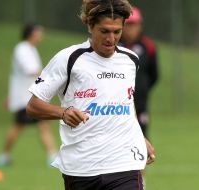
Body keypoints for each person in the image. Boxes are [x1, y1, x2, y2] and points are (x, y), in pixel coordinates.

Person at [27, 0, 155, 189]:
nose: (111, 38)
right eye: (104, 31)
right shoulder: (69, 59)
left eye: (116, 32)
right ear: (90, 26)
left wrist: (138, 137)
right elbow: (33, 106)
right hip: (81, 168)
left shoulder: (130, 60)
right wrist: (63, 112)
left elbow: (126, 102)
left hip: (124, 163)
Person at [0, 24, 57, 167]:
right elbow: (31, 70)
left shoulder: (29, 49)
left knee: (40, 124)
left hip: (28, 96)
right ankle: (3, 156)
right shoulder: (23, 49)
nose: (41, 35)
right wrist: (49, 79)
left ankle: (52, 157)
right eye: (39, 32)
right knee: (22, 126)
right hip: (26, 98)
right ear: (31, 34)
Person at [119, 7, 159, 138]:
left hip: (140, 102)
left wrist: (143, 88)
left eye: (133, 25)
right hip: (117, 102)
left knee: (141, 136)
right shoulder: (114, 45)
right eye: (127, 25)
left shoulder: (148, 46)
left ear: (139, 25)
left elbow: (154, 75)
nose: (130, 29)